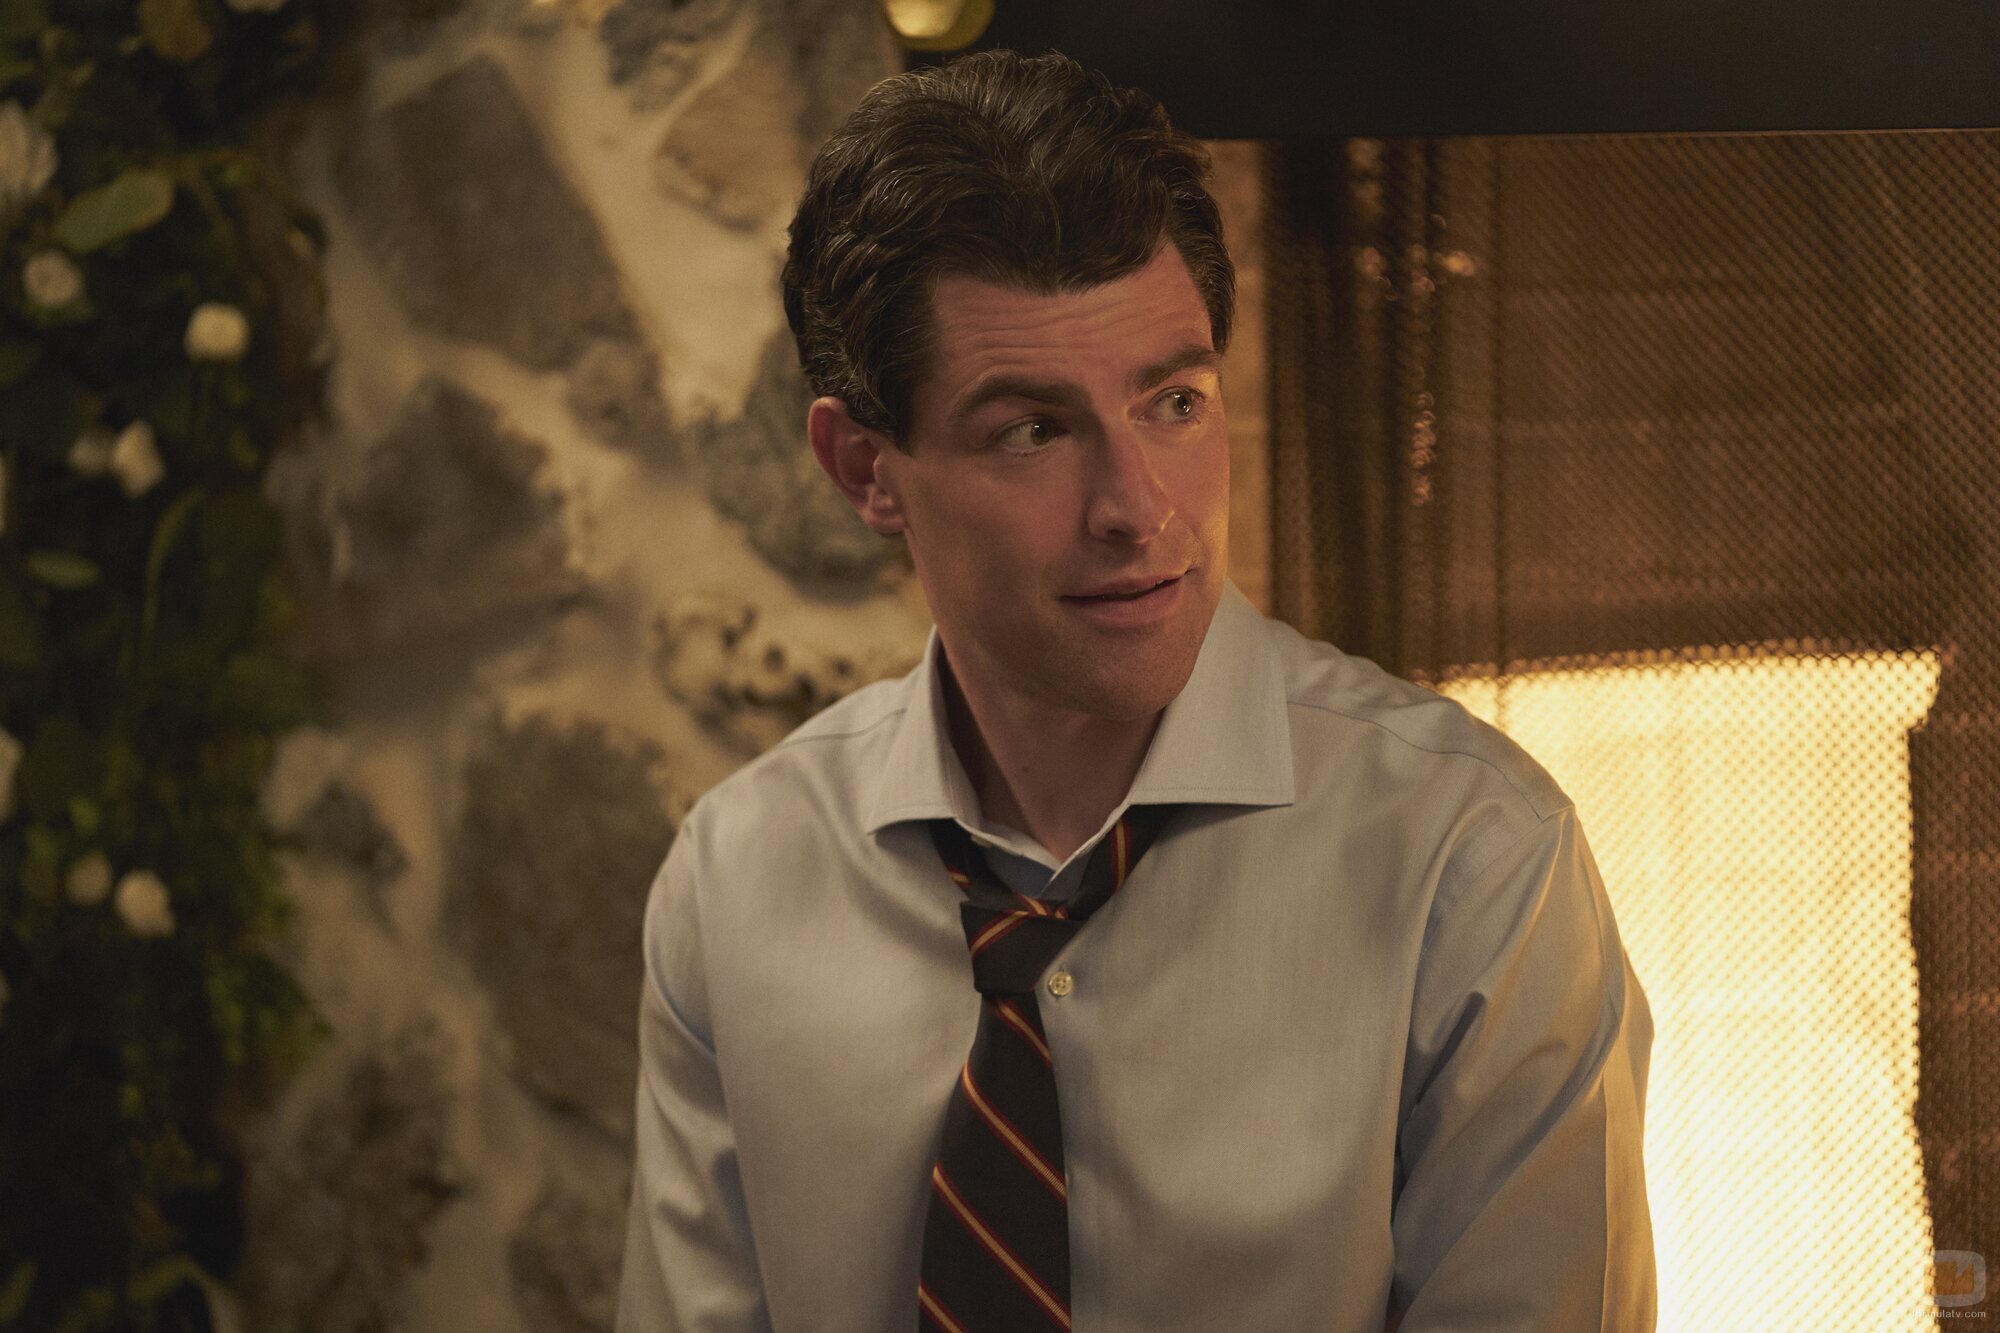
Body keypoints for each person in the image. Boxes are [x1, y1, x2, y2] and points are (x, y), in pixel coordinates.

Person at [614, 47, 1656, 1333]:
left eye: (1171, 401)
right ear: (865, 469)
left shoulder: (1474, 863)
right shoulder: (732, 882)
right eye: (1032, 430)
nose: (1137, 508)